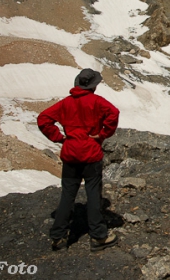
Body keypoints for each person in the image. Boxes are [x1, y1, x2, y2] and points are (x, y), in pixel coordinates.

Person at [37, 68, 120, 251]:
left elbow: (43, 119)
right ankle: (98, 236)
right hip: (91, 153)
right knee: (93, 194)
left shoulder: (66, 103)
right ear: (93, 86)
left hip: (70, 153)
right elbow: (113, 113)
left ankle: (58, 236)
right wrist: (103, 134)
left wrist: (60, 138)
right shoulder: (97, 102)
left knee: (68, 194)